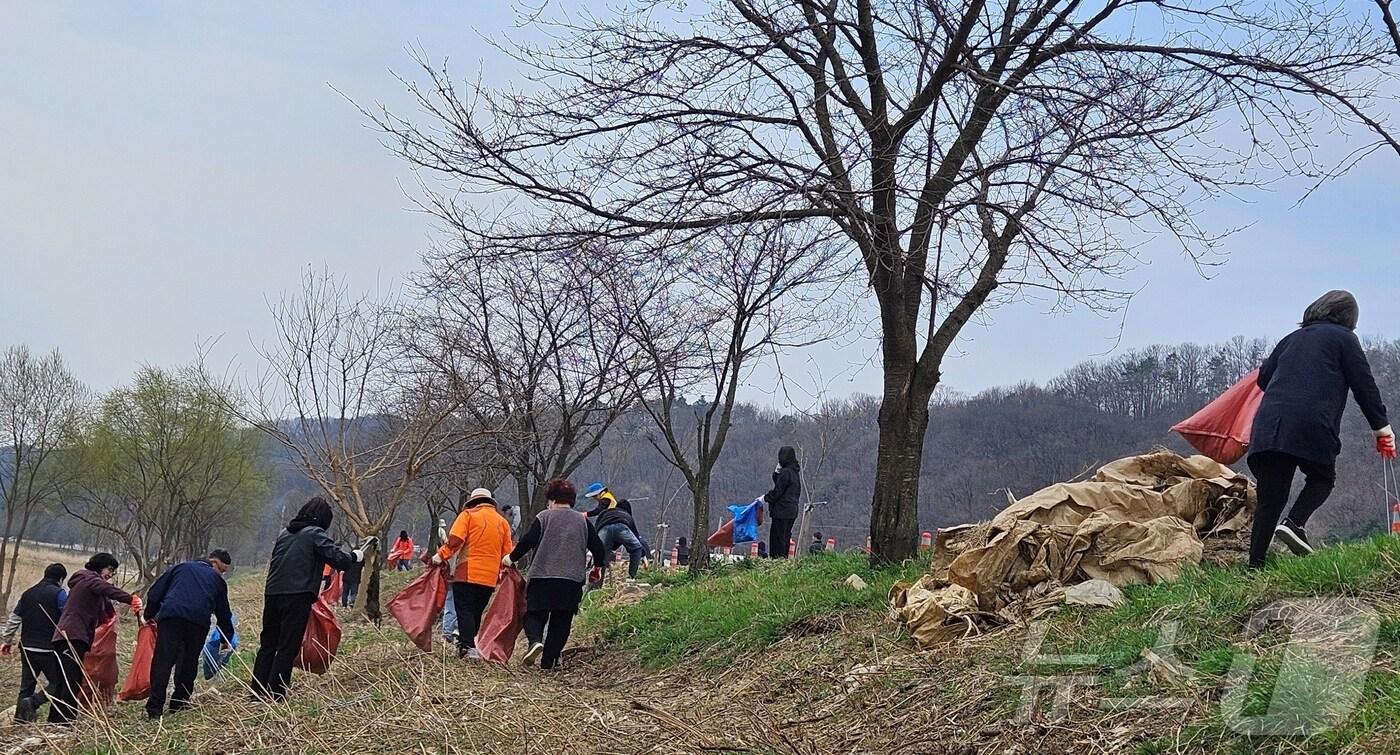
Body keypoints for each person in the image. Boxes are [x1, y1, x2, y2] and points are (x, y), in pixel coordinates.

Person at [1248, 290, 1392, 568]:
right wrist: (1382, 429)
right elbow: (1365, 387)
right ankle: (1294, 523)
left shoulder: (1289, 340)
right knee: (1322, 478)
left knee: (1270, 500)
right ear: (1349, 319)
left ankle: (1255, 566)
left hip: (1269, 427)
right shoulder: (1345, 340)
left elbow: (1264, 379)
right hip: (1311, 424)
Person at [252, 497, 371, 701]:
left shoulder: (284, 534)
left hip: (272, 593)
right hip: (297, 595)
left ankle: (257, 692)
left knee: (268, 643)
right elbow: (338, 559)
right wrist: (356, 556)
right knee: (287, 646)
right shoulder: (314, 533)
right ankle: (276, 694)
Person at [504, 478, 607, 671]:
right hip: (571, 580)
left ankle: (535, 641)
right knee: (561, 622)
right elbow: (598, 549)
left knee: (533, 614)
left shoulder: (544, 517)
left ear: (551, 499)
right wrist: (598, 567)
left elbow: (527, 541)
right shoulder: (582, 521)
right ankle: (548, 663)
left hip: (542, 576)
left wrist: (511, 558)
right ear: (572, 500)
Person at [142, 550, 235, 719]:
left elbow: (155, 592)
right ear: (213, 562)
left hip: (171, 617)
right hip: (198, 622)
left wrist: (149, 614)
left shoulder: (180, 568)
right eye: (221, 570)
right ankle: (179, 703)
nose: (221, 574)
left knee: (163, 660)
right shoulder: (217, 581)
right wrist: (225, 637)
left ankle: (154, 708)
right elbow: (223, 612)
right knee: (189, 661)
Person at [49, 553, 141, 724]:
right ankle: (65, 722)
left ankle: (55, 720)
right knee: (71, 679)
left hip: (69, 635)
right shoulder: (89, 578)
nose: (111, 574)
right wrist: (131, 598)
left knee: (64, 679)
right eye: (110, 570)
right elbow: (107, 590)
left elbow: (104, 608)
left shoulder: (87, 583)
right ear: (100, 566)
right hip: (72, 635)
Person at [431, 488, 513, 660]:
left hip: (467, 572)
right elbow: (507, 553)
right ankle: (468, 644)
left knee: (465, 610)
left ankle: (468, 647)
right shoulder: (502, 522)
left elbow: (455, 541)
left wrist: (440, 556)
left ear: (473, 501)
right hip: (490, 578)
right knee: (476, 611)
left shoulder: (468, 515)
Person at [0, 563, 68, 723]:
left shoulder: (27, 593)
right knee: (57, 683)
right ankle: (34, 702)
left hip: (26, 647)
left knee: (26, 685)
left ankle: (20, 720)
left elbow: (14, 619)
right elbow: (66, 617)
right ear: (60, 579)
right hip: (48, 649)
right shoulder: (59, 594)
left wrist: (7, 641)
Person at [585, 485, 646, 579]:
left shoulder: (606, 504)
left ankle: (594, 581)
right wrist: (643, 554)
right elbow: (636, 536)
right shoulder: (626, 516)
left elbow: (597, 523)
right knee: (636, 548)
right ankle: (631, 577)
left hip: (604, 527)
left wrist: (595, 544)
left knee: (600, 555)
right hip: (621, 528)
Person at [763, 446, 802, 558]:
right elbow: (782, 485)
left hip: (781, 511)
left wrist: (765, 498)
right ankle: (783, 559)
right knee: (785, 537)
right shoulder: (794, 473)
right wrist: (776, 474)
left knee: (777, 538)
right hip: (792, 511)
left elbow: (778, 491)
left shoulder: (785, 473)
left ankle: (777, 560)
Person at [436, 517, 458, 644]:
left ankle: (447, 631)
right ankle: (455, 630)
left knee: (450, 603)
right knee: (460, 605)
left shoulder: (452, 544)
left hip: (452, 576)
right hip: (462, 577)